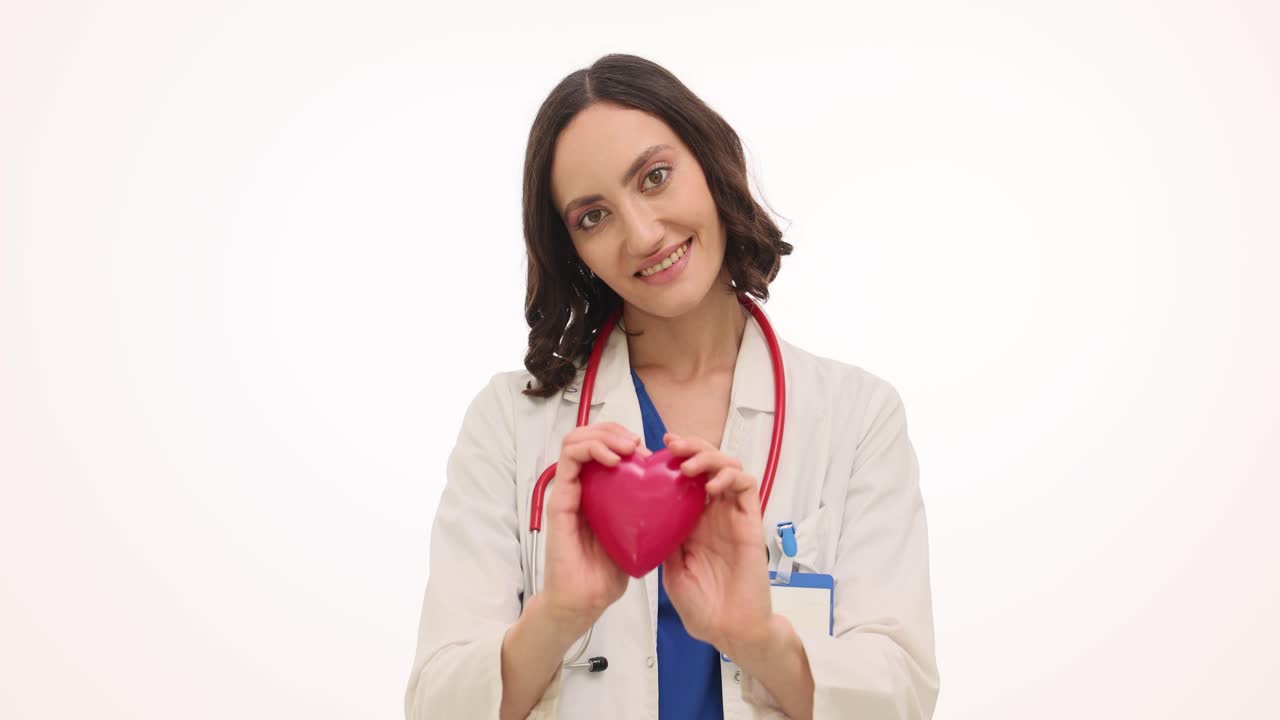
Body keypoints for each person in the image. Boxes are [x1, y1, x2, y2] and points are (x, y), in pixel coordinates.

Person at [405, 53, 939, 719]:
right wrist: (559, 614)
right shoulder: (510, 424)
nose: (643, 233)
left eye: (655, 177)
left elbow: (904, 696)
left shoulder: (857, 416)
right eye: (592, 216)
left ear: (712, 163)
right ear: (572, 248)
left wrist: (755, 637)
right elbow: (435, 704)